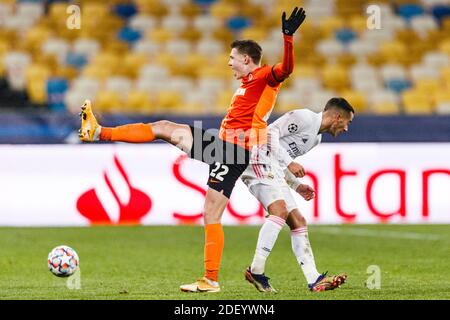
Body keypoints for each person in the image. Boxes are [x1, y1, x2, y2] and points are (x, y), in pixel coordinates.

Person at [78, 6, 307, 293]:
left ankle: (211, 279)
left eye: (232, 58)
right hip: (225, 146)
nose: (229, 63)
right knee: (164, 128)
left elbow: (286, 69)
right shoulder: (248, 83)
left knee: (211, 212)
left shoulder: (263, 77)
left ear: (247, 60)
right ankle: (97, 131)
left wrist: (287, 38)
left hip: (233, 150)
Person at [240, 97, 354, 292]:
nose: (346, 129)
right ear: (337, 117)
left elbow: (281, 160)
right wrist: (290, 163)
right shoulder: (305, 117)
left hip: (272, 168)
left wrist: (296, 185)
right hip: (256, 159)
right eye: (347, 122)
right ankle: (256, 269)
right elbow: (268, 133)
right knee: (279, 211)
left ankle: (314, 279)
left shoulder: (316, 139)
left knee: (298, 221)